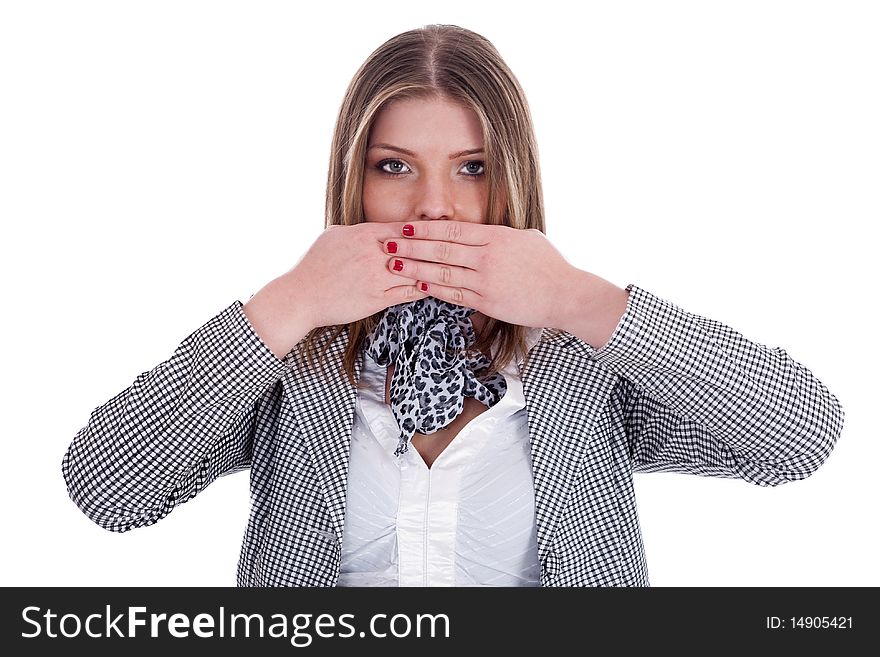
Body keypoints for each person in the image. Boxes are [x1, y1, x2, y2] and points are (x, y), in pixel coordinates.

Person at [62, 24, 845, 587]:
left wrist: (576, 296)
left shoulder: (577, 356)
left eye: (472, 167)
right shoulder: (292, 357)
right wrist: (293, 299)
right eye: (395, 165)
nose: (434, 207)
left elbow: (799, 437)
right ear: (353, 181)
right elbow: (106, 488)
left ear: (513, 178)